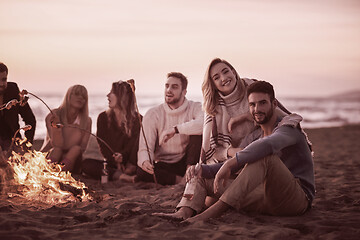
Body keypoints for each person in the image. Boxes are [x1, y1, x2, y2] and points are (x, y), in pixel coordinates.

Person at [166, 81, 315, 221]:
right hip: (263, 195)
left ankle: (210, 214)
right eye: (252, 105)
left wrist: (230, 163)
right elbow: (237, 163)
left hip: (296, 199)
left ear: (274, 104)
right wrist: (201, 169)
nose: (257, 109)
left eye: (262, 103)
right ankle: (183, 213)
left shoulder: (289, 128)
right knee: (201, 175)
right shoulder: (254, 136)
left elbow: (268, 145)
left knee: (265, 157)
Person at [137, 72, 203, 185]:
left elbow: (204, 124)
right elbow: (146, 146)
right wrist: (145, 161)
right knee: (142, 172)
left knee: (197, 134)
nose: (169, 90)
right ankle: (181, 181)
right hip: (164, 164)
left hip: (187, 161)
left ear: (184, 92)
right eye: (167, 86)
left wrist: (175, 129)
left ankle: (189, 174)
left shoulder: (195, 107)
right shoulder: (153, 113)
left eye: (174, 87)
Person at [82, 80, 141, 181]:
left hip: (132, 164)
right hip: (112, 163)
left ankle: (123, 174)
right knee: (86, 164)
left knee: (145, 170)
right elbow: (103, 146)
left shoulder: (138, 119)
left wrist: (125, 159)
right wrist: (115, 161)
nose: (107, 95)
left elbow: (136, 145)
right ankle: (122, 176)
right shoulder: (103, 118)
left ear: (121, 96)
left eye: (112, 92)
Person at [41, 85, 91, 173]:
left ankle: (60, 170)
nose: (80, 98)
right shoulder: (53, 115)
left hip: (73, 160)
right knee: (57, 150)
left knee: (76, 149)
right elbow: (57, 144)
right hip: (53, 154)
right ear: (68, 96)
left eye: (83, 96)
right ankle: (50, 170)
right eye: (76, 94)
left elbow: (82, 148)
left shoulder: (86, 121)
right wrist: (57, 127)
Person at [0, 62, 36, 152]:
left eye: (4, 79)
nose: (1, 84)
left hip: (12, 141)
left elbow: (30, 118)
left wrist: (27, 144)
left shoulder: (13, 89)